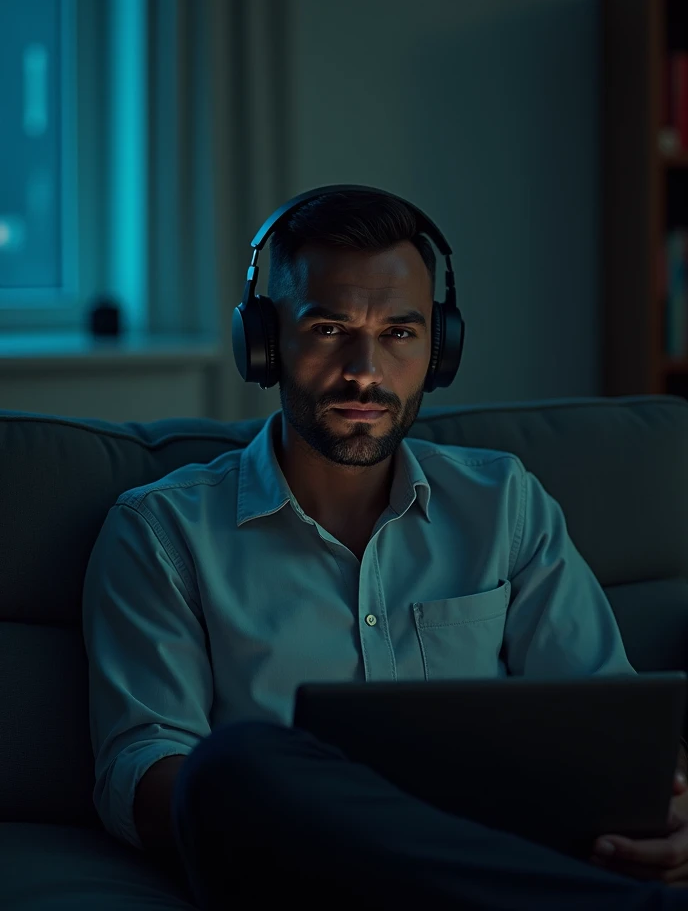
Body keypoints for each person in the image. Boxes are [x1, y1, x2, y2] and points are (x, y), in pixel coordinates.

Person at [83, 188, 688, 911]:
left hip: (504, 853)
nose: (364, 371)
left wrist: (670, 808)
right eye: (330, 327)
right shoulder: (161, 530)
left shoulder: (505, 503)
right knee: (226, 769)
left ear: (440, 348)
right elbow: (141, 768)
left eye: (400, 332)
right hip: (301, 878)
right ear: (265, 342)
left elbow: (610, 718)